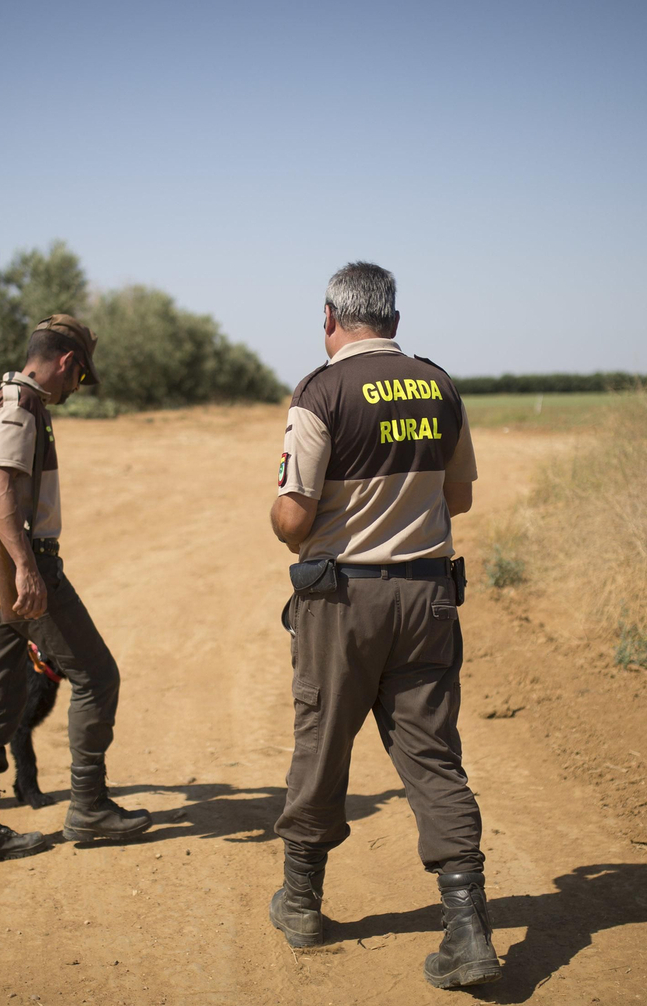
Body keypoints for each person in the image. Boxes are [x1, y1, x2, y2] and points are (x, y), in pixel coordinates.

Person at [267, 263, 500, 988]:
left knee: (323, 742)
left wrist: (284, 514)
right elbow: (456, 498)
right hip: (430, 598)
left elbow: (294, 517)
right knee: (433, 757)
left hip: (343, 603)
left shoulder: (320, 390)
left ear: (330, 317)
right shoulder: (439, 385)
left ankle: (302, 904)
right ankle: (467, 931)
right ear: (393, 320)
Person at [0, 314, 151, 867]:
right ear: (67, 362)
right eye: (80, 377)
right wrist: (24, 566)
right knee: (96, 675)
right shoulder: (19, 405)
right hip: (11, 563)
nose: (76, 388)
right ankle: (88, 806)